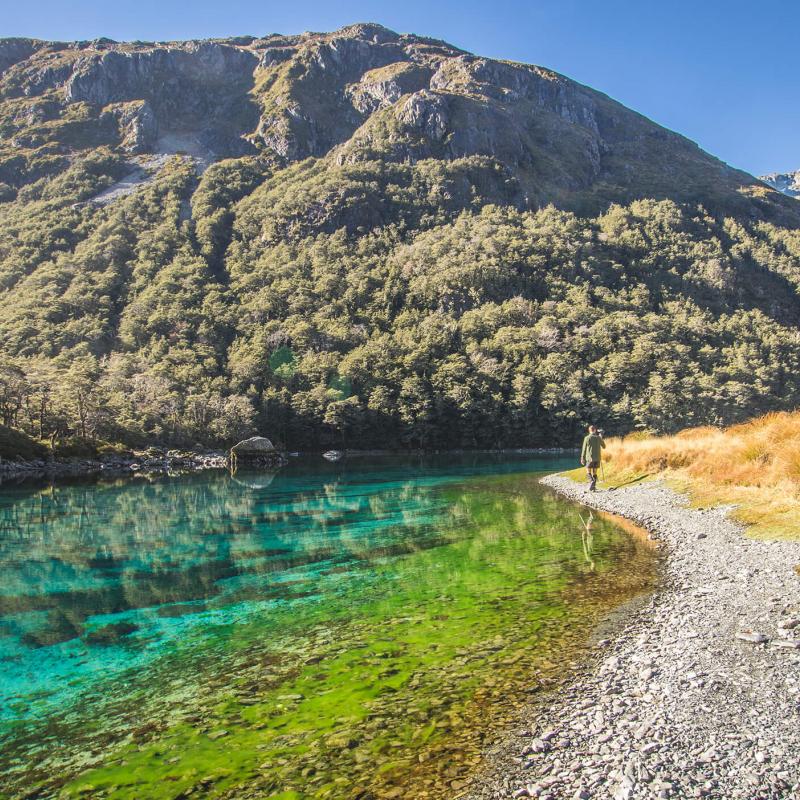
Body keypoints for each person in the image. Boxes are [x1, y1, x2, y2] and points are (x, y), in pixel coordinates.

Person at [580, 424, 606, 491]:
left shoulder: (587, 438)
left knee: (588, 470)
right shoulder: (598, 437)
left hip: (589, 458)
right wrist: (601, 437)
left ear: (589, 430)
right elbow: (604, 446)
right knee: (595, 472)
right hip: (597, 458)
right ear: (594, 430)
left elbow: (584, 449)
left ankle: (591, 482)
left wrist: (582, 458)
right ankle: (593, 487)